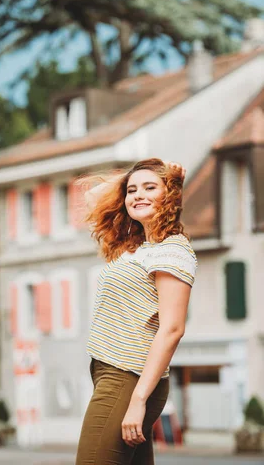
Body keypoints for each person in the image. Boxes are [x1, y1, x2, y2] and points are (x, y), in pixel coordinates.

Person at [75, 158, 197, 465]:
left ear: (169, 196)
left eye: (150, 188)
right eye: (132, 190)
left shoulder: (172, 250)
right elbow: (94, 196)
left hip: (129, 378)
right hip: (112, 374)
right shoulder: (138, 247)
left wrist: (138, 400)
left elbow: (172, 329)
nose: (137, 195)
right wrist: (145, 179)